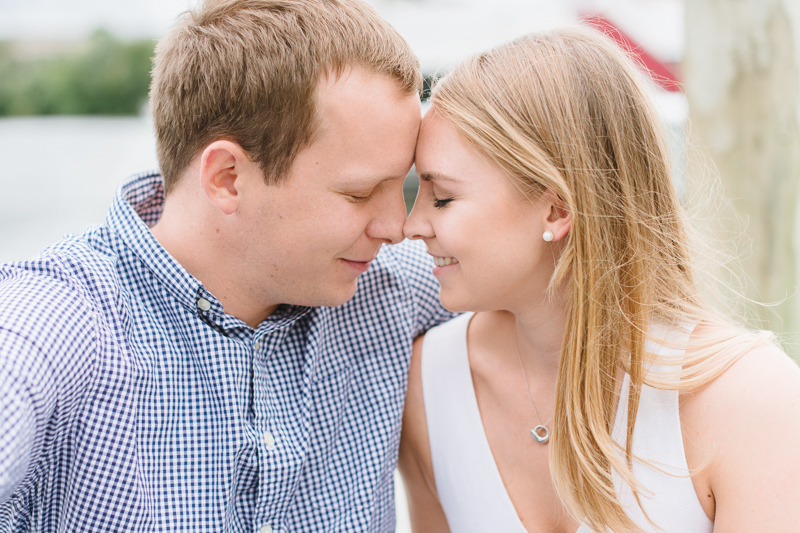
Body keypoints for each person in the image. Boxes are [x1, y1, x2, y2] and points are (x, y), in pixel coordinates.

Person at [0, 0, 454, 531]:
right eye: (358, 193)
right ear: (227, 178)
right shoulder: (55, 320)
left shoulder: (394, 290)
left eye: (399, 184)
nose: (395, 227)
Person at [399, 28, 800, 533]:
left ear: (557, 207)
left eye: (441, 198)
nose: (409, 226)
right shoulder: (428, 384)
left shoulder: (752, 400)